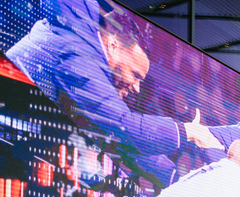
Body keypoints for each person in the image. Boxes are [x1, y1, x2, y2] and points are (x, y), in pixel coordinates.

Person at [5, 0, 222, 183]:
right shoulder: (76, 56)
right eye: (136, 74)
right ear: (112, 45)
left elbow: (121, 146)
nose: (136, 87)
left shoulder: (83, 48)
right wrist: (187, 132)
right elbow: (123, 130)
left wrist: (178, 179)